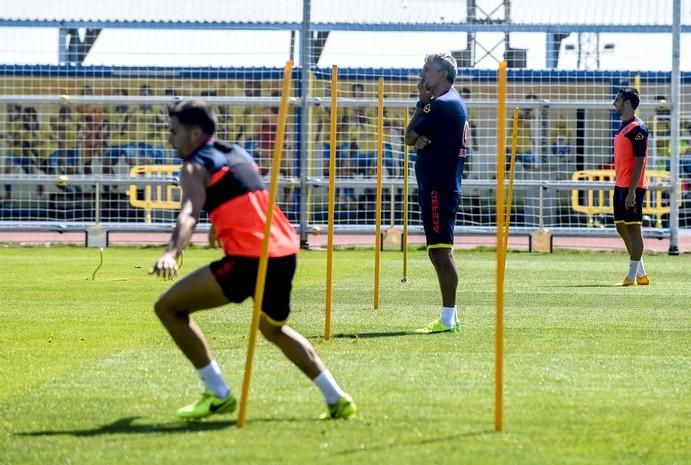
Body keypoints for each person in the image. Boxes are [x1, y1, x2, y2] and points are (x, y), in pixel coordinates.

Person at [150, 100, 356, 421]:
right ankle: (336, 397)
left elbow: (189, 213)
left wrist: (171, 253)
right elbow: (243, 194)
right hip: (285, 253)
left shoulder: (193, 166)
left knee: (168, 308)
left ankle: (217, 393)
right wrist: (219, 226)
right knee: (273, 330)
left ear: (194, 133)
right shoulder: (237, 154)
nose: (170, 139)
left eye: (174, 132)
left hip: (250, 258)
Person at [404, 52, 469, 333]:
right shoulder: (448, 103)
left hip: (438, 188)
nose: (422, 76)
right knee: (438, 251)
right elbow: (412, 139)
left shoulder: (439, 105)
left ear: (443, 74)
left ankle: (448, 319)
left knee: (441, 253)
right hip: (440, 185)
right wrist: (417, 138)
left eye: (427, 70)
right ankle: (449, 317)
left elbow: (407, 136)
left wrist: (421, 101)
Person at [611, 87, 650, 286]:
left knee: (634, 229)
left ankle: (631, 276)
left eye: (617, 99)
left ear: (627, 103)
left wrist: (633, 190)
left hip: (632, 186)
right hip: (620, 184)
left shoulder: (638, 129)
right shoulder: (623, 127)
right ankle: (641, 274)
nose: (614, 102)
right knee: (620, 226)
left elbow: (640, 160)